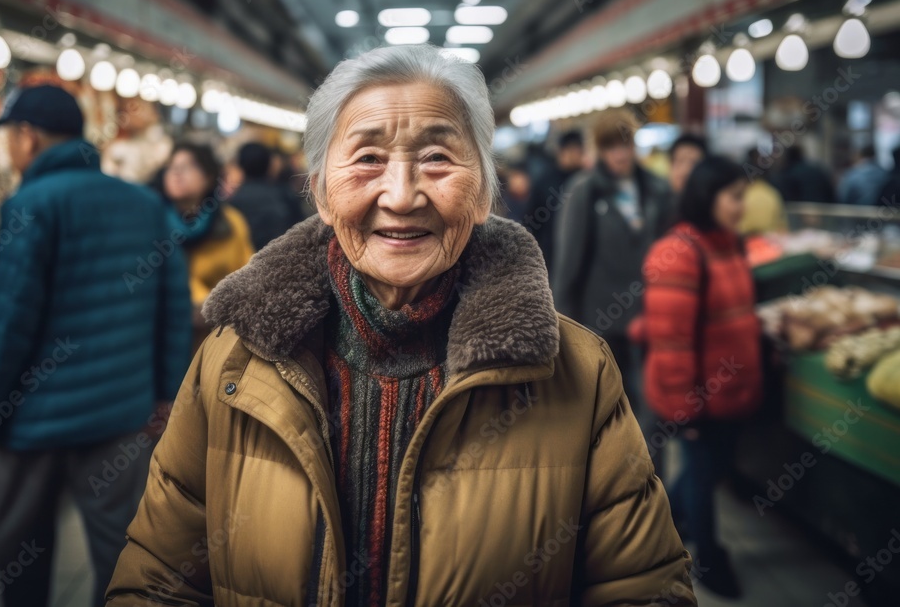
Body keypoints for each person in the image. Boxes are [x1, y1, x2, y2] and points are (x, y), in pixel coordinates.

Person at [107, 45, 695, 607]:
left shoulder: (577, 372)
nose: (403, 194)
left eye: (438, 158)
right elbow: (159, 577)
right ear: (319, 192)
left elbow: (643, 585)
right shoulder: (233, 362)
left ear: (485, 190)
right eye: (367, 159)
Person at [0, 85, 191, 607]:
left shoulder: (31, 204)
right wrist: (164, 393)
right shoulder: (143, 203)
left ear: (28, 137)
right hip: (120, 412)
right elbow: (172, 307)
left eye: (10, 139)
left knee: (22, 549)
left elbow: (8, 322)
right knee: (121, 548)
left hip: (32, 420)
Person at [642, 156, 764, 599]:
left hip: (731, 391)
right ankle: (707, 560)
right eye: (733, 197)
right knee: (700, 471)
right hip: (698, 395)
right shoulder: (680, 252)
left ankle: (665, 525)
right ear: (707, 197)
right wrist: (684, 409)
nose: (741, 205)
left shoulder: (729, 243)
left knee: (707, 471)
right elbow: (670, 341)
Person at [551, 111, 672, 421]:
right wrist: (563, 326)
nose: (619, 154)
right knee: (612, 406)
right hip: (603, 319)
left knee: (653, 406)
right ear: (600, 151)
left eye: (625, 145)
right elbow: (569, 262)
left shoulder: (656, 188)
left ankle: (649, 468)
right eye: (610, 147)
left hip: (652, 314)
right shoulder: (584, 191)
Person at [158, 142, 255, 310]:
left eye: (187, 167)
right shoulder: (154, 220)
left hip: (216, 326)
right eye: (171, 167)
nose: (176, 174)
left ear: (209, 177)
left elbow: (247, 274)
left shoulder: (230, 222)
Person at [523, 130, 584, 270]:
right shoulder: (545, 182)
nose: (575, 155)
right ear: (561, 152)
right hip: (552, 255)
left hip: (582, 254)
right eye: (572, 150)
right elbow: (531, 221)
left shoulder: (587, 180)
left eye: (578, 151)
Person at [228, 142, 305, 250]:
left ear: (241, 166)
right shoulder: (286, 195)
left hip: (249, 263)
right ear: (269, 164)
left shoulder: (233, 202)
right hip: (285, 258)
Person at [739, 148, 788, 234]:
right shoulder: (772, 194)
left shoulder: (742, 196)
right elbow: (782, 227)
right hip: (769, 242)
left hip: (745, 241)